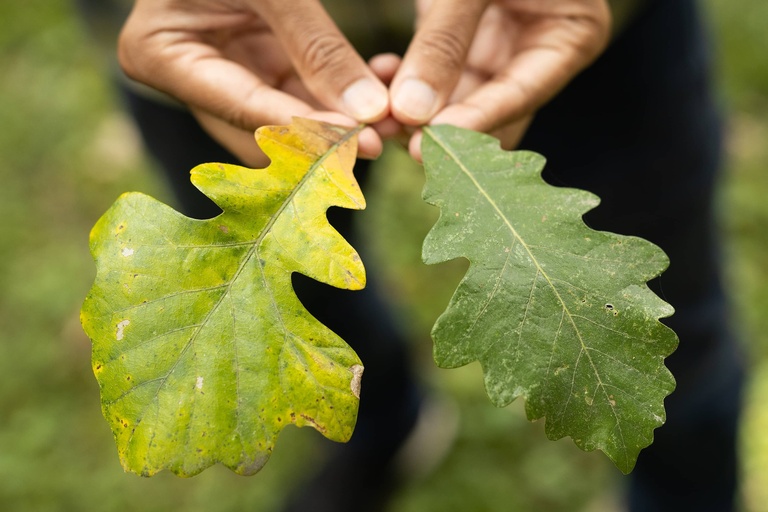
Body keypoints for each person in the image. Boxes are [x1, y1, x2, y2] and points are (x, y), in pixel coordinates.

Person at [78, 1, 744, 511]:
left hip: (559, 24)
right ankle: (383, 429)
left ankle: (686, 491)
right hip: (217, 28)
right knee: (307, 290)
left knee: (658, 328)